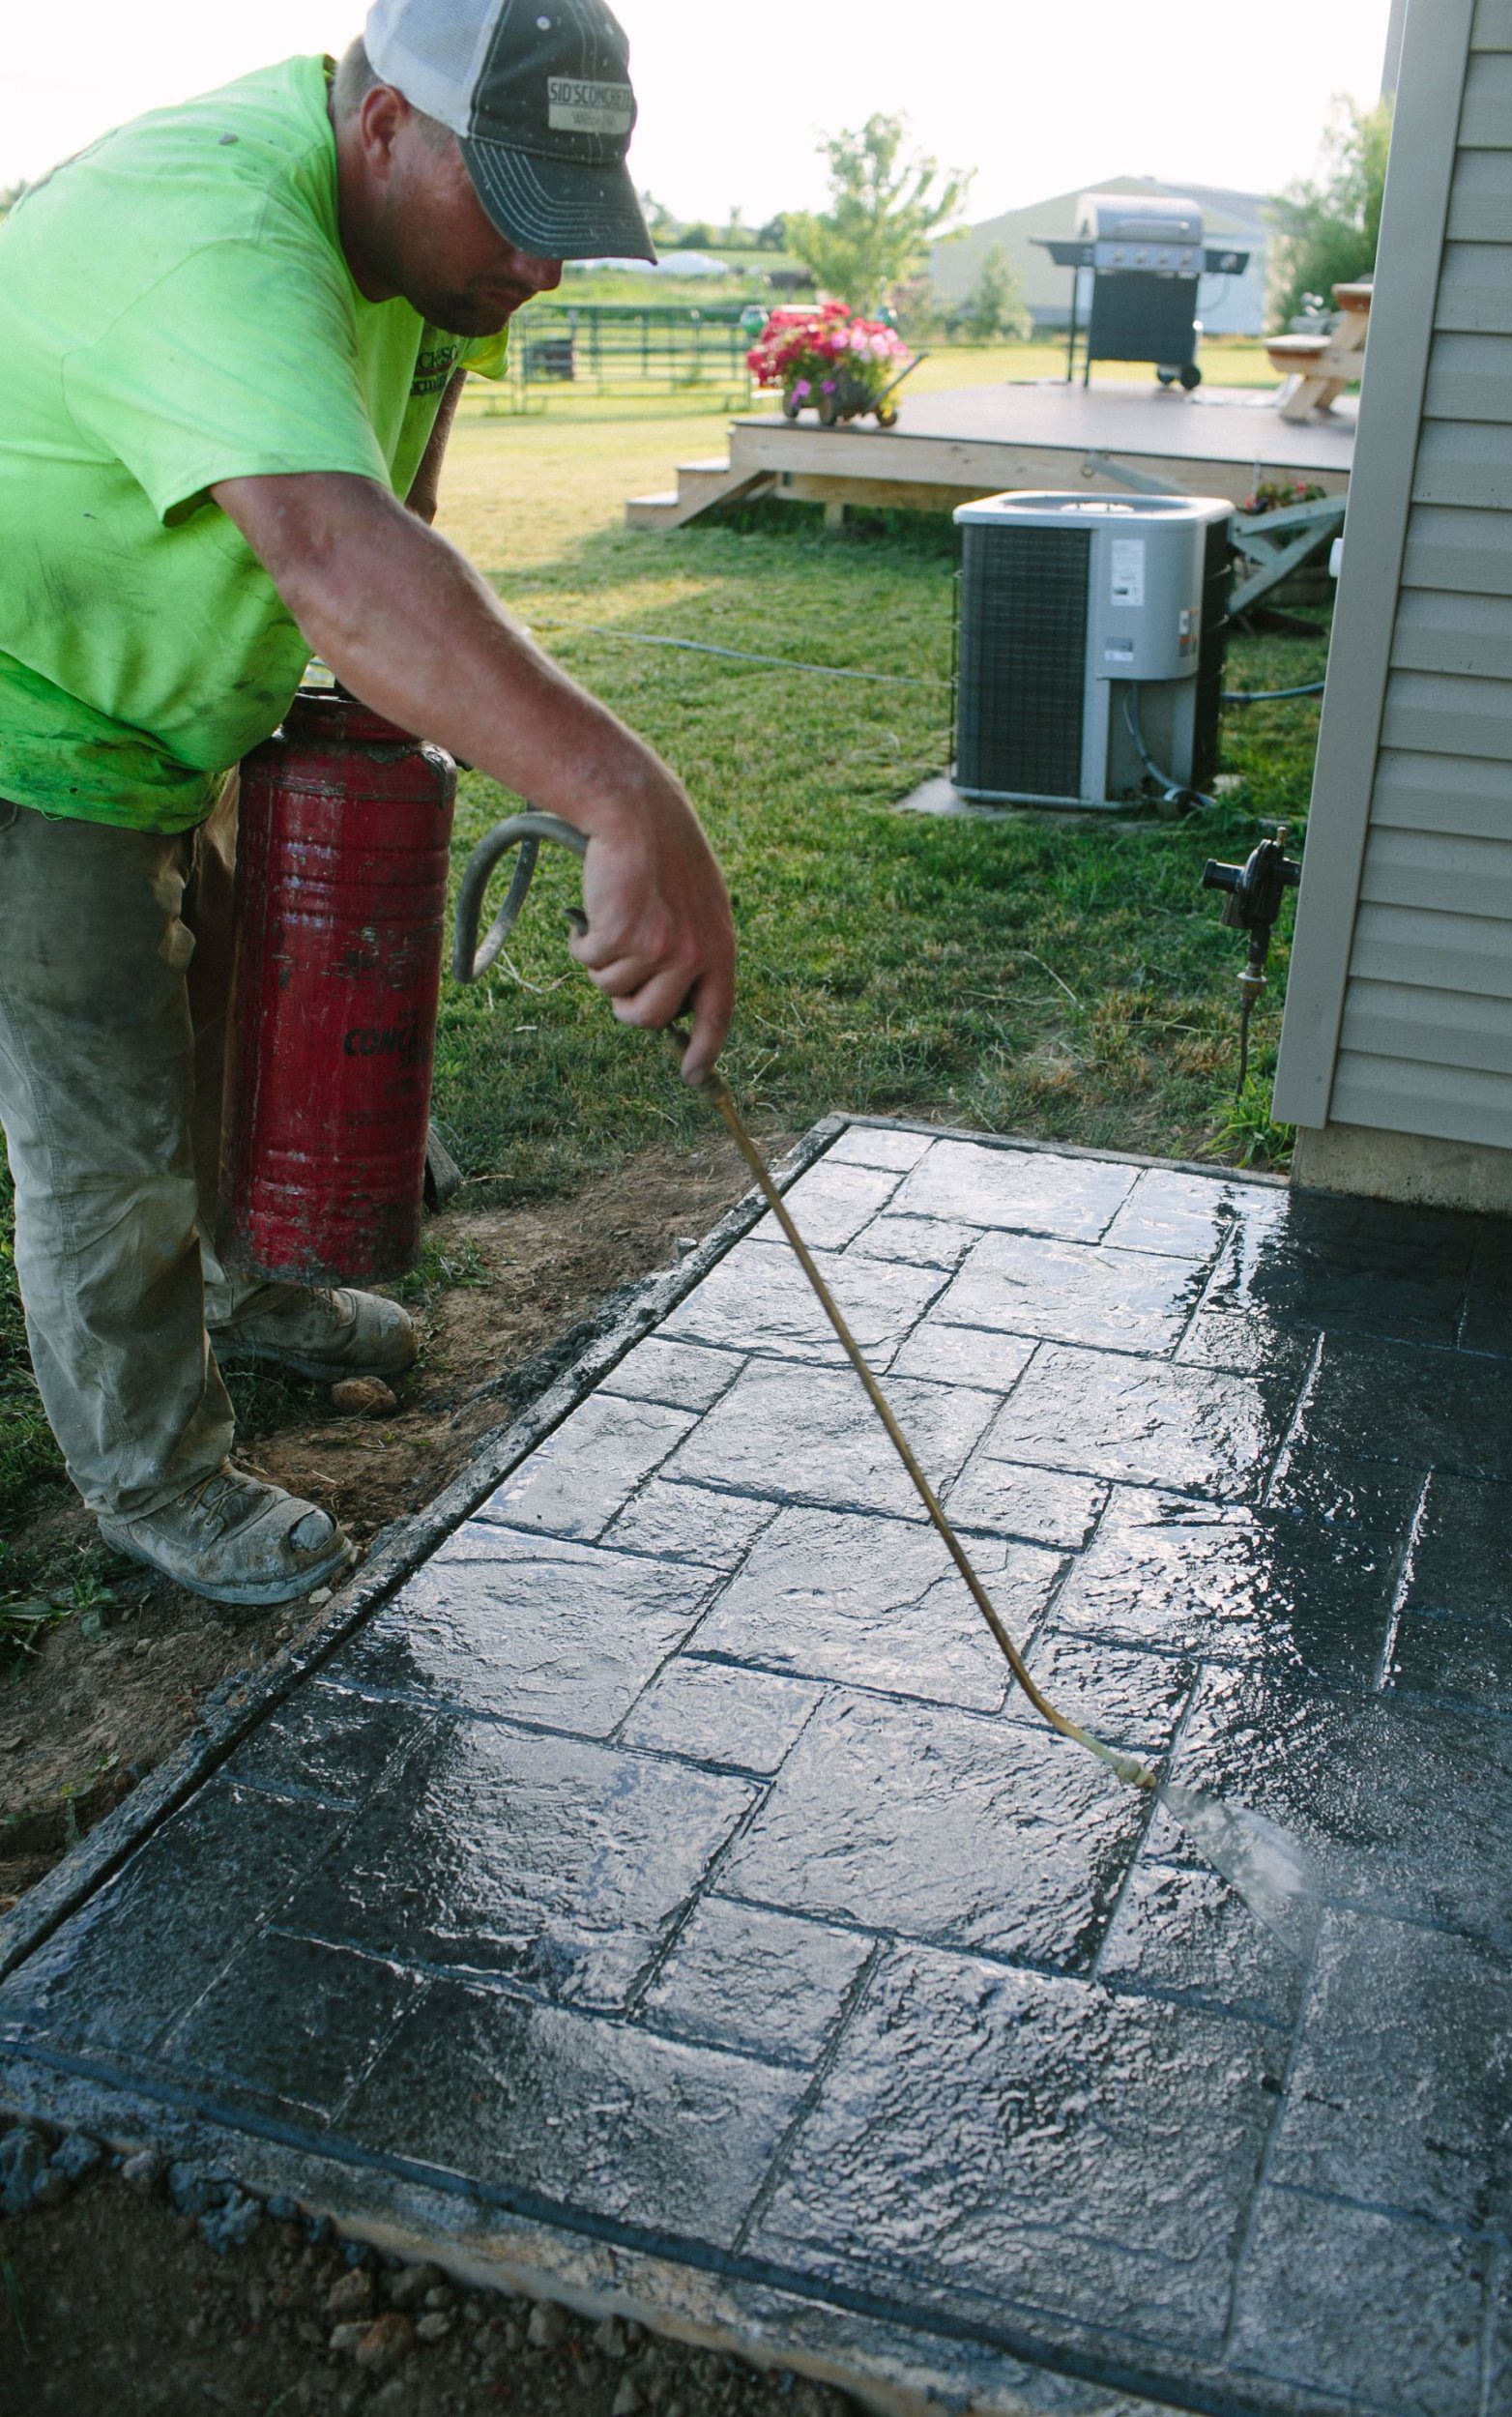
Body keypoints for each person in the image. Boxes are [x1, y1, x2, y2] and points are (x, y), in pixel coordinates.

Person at [0, 0, 735, 1609]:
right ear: (386, 126)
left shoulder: (420, 245)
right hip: (19, 711)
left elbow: (405, 478)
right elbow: (336, 556)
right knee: (107, 1124)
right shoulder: (208, 227)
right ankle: (157, 1480)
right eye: (517, 216)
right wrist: (624, 797)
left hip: (170, 706)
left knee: (229, 1032)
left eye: (568, 227)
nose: (540, 271)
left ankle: (262, 1298)